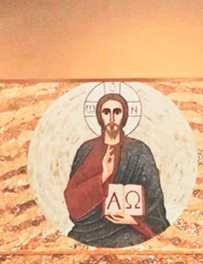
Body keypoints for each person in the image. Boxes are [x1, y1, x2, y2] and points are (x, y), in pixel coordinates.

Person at [62, 88, 169, 248]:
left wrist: (133, 220)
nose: (111, 118)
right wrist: (104, 175)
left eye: (117, 112)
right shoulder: (87, 149)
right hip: (89, 228)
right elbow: (73, 197)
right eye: (106, 112)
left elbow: (154, 199)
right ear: (99, 116)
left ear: (124, 115)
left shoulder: (139, 150)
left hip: (128, 228)